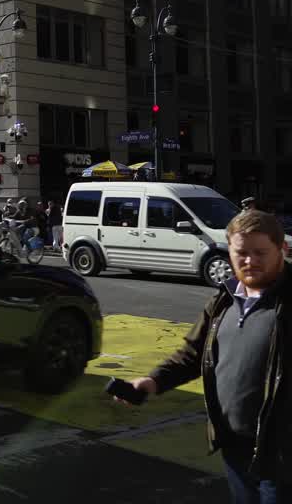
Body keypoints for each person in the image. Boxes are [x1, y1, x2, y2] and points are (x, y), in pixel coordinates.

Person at [114, 209, 289, 502]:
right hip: (234, 447)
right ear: (229, 251)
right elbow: (194, 353)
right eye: (241, 253)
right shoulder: (224, 300)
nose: (249, 261)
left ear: (282, 249)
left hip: (283, 455)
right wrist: (153, 381)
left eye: (260, 253)